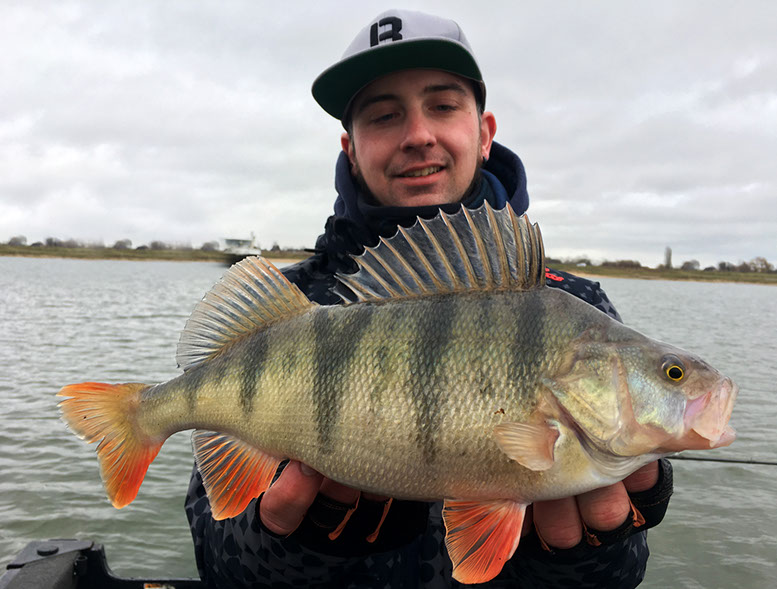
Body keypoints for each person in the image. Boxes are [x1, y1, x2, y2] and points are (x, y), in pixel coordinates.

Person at [186, 9, 673, 588]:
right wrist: (291, 546)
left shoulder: (575, 308)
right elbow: (219, 562)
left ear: (485, 134)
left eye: (442, 106)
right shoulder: (291, 304)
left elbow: (619, 576)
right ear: (350, 149)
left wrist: (578, 555)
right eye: (384, 115)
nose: (418, 135)